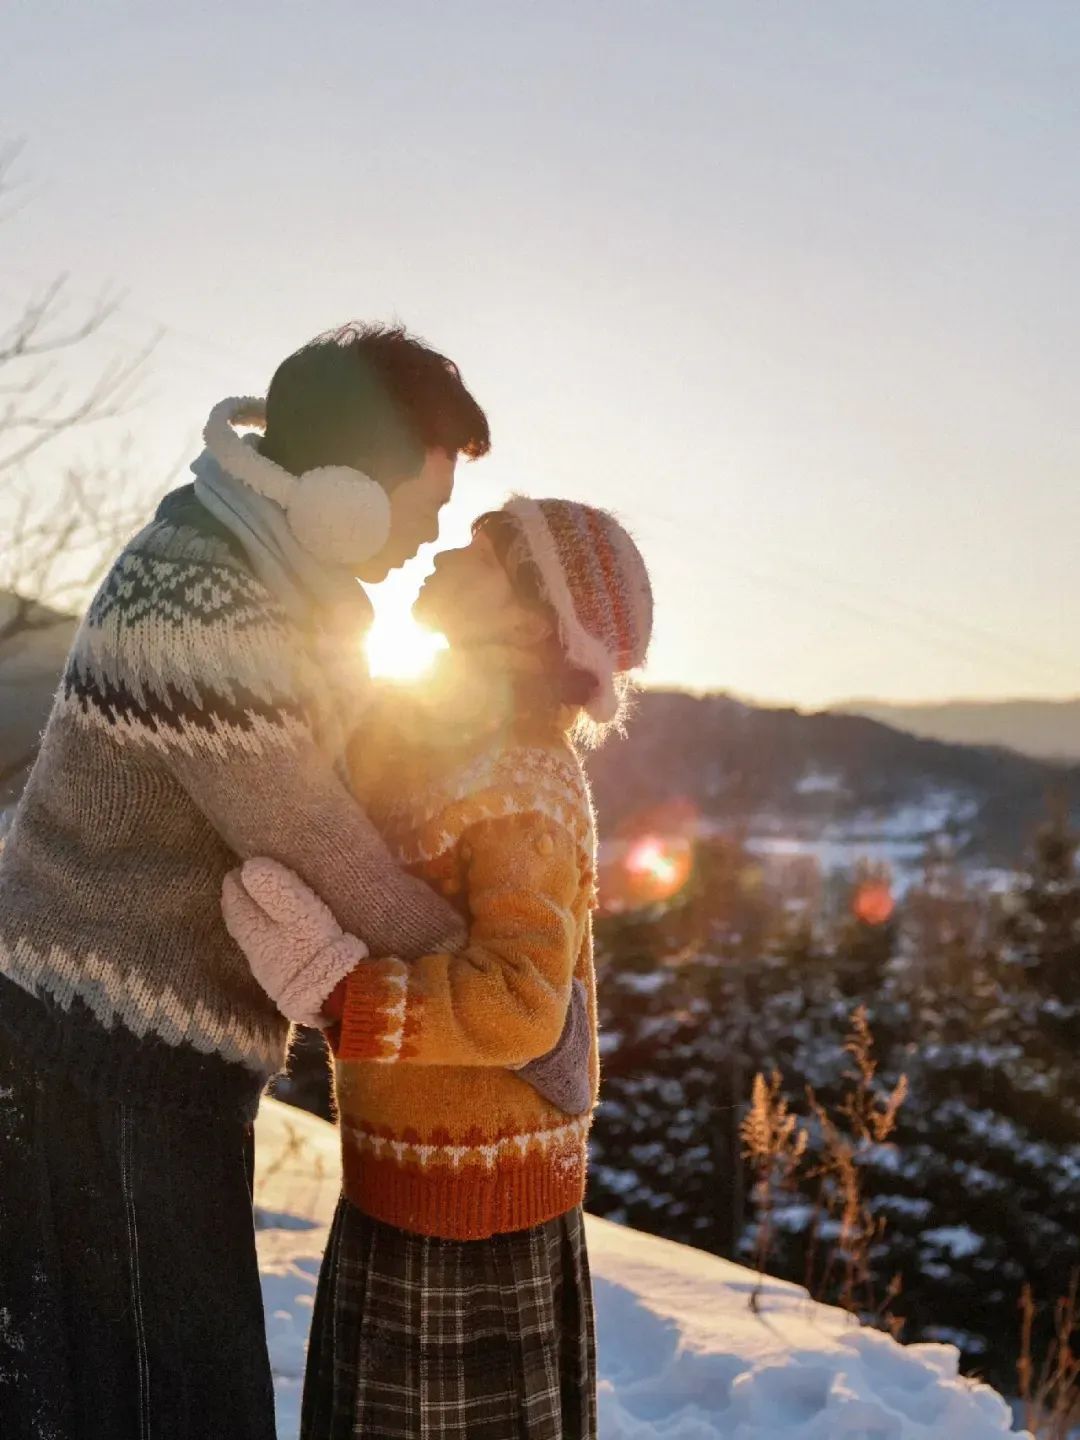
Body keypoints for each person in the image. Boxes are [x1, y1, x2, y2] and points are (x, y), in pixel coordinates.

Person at [0, 324, 495, 1438]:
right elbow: (315, 838)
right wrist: (491, 971)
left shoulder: (272, 585)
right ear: (340, 495)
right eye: (420, 510)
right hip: (93, 1045)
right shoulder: (200, 596)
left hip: (152, 1052)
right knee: (164, 1395)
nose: (426, 541)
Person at [223, 495, 654, 1439]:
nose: (447, 552)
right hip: (398, 1184)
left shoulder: (524, 775)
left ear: (530, 619)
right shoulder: (439, 740)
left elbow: (523, 1005)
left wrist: (344, 994)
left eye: (482, 552)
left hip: (475, 1215)